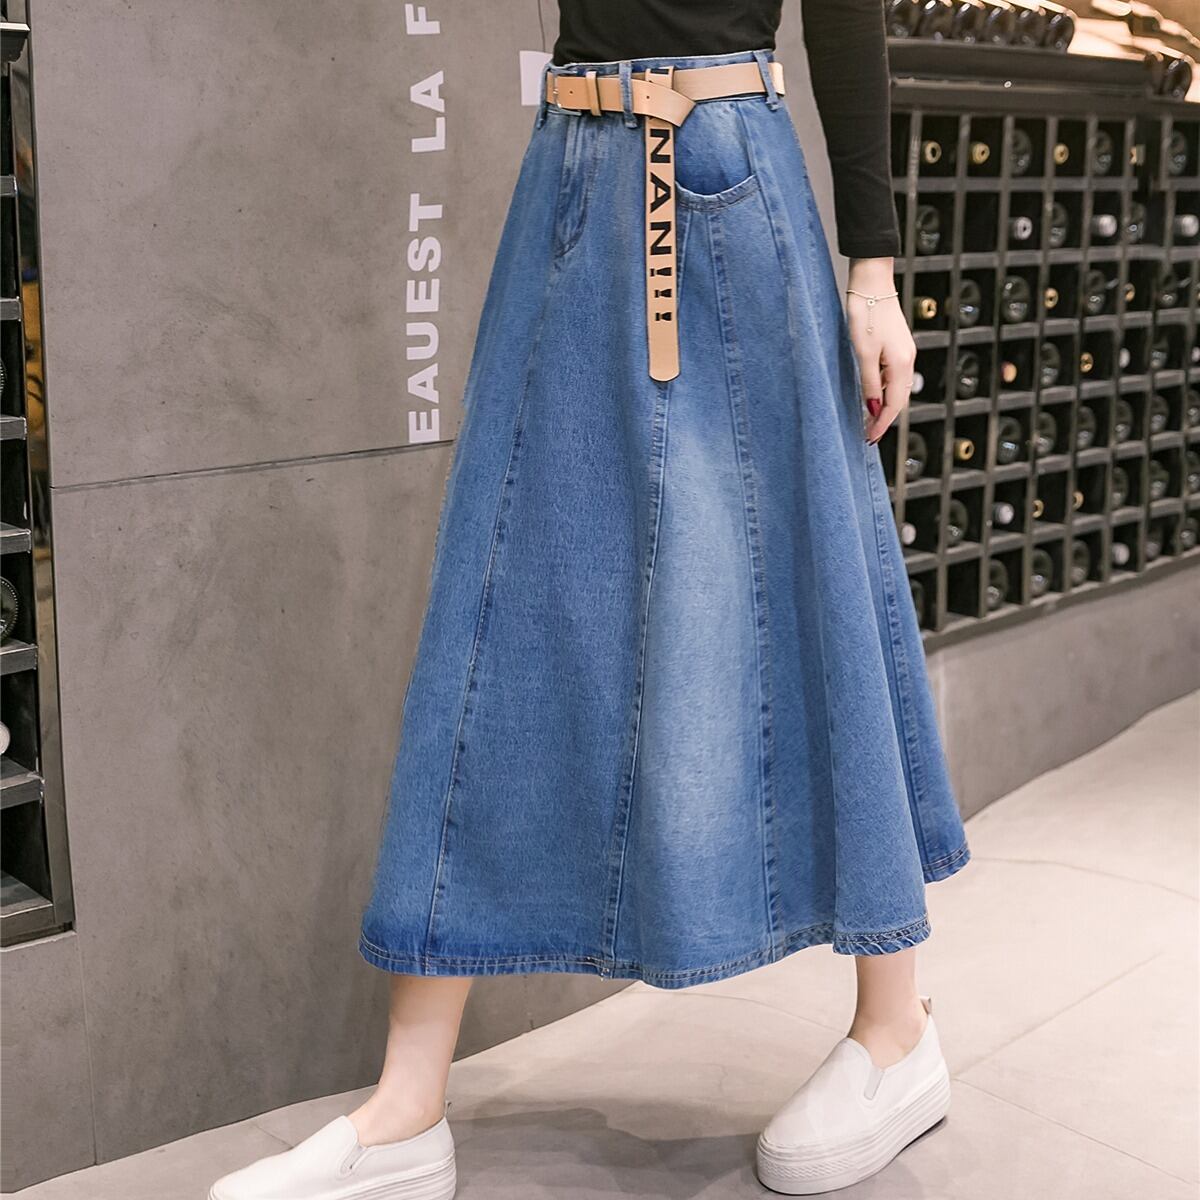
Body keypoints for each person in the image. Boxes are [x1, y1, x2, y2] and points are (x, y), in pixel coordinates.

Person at [209, 2, 971, 1197]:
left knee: (814, 562)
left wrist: (872, 273)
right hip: (571, 169)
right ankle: (407, 1101)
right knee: (496, 591)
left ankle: (896, 1026)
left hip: (725, 162)